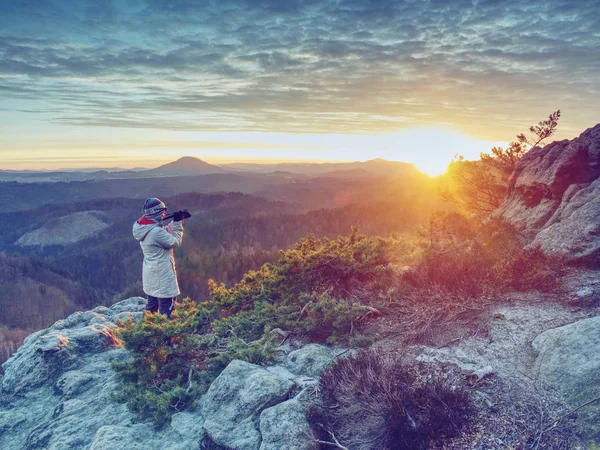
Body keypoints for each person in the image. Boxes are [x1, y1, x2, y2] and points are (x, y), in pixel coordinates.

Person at [132, 198, 184, 318]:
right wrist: (178, 225)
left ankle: (145, 333)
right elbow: (174, 242)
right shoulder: (155, 232)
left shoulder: (144, 228)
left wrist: (175, 221)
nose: (164, 214)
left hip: (151, 275)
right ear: (156, 213)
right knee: (168, 312)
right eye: (162, 212)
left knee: (151, 309)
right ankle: (167, 336)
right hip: (163, 276)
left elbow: (161, 233)